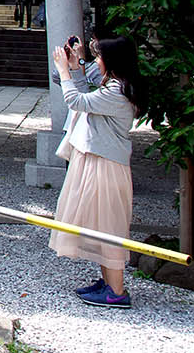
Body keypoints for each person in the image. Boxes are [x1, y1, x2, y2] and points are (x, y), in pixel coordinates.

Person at [49, 34, 144, 309]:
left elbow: (77, 101)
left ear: (112, 61)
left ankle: (116, 292)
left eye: (99, 57)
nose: (96, 62)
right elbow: (85, 90)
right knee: (101, 224)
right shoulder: (117, 86)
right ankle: (109, 283)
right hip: (98, 160)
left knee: (109, 226)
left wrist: (65, 70)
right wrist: (75, 66)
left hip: (106, 165)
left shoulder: (117, 92)